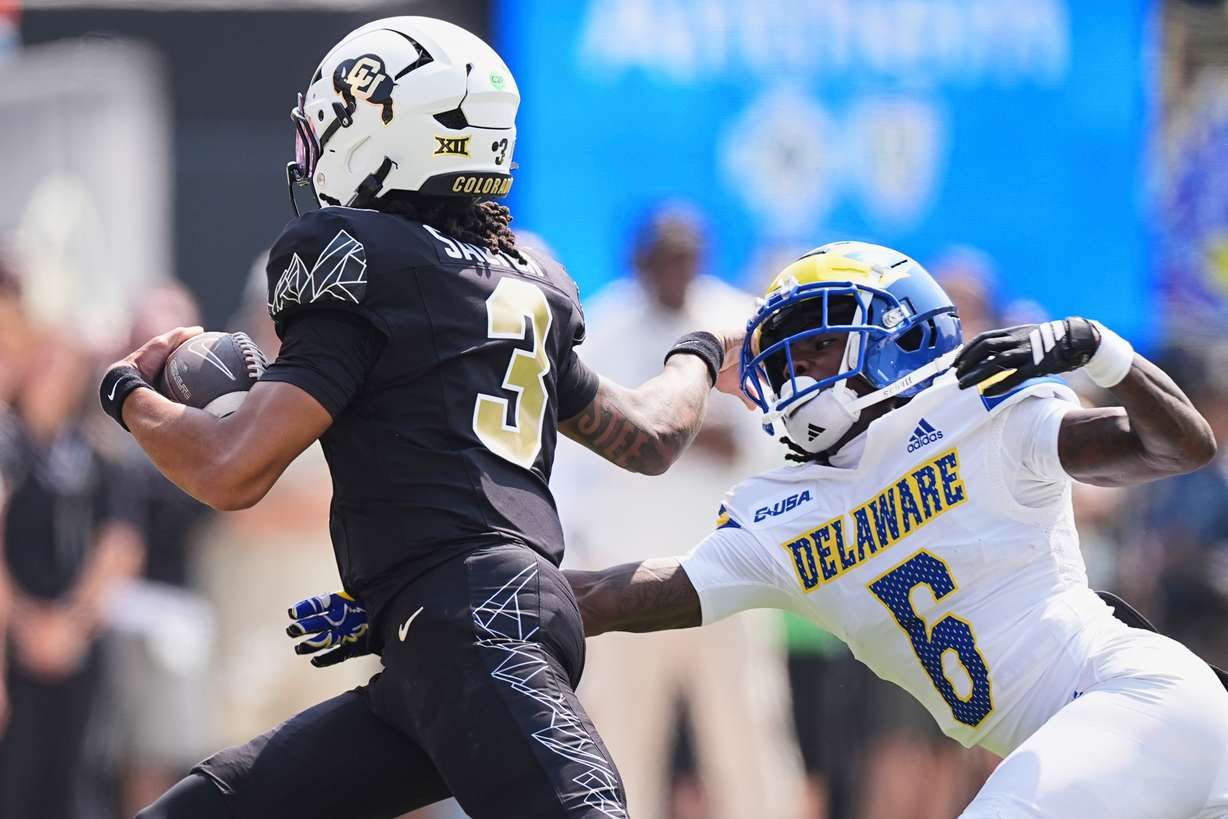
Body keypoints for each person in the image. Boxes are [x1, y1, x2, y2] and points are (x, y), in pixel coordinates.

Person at [99, 16, 740, 819]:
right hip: (446, 636)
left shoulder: (359, 259)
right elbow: (649, 435)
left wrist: (127, 391)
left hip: (470, 634)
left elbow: (231, 466)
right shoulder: (520, 285)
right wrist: (703, 350)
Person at [565, 241, 1228, 818]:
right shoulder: (785, 511)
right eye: (785, 351)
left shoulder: (981, 410)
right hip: (1101, 747)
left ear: (899, 331)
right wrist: (473, 587)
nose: (795, 366)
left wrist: (1098, 348)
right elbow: (610, 596)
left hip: (1138, 694)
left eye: (818, 340)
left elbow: (1181, 447)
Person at [554, 204, 804, 819]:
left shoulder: (739, 322)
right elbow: (568, 462)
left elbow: (784, 441)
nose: (675, 268)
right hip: (621, 572)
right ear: (639, 260)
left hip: (726, 574)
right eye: (663, 256)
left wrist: (711, 437)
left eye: (685, 255)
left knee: (748, 743)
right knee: (619, 747)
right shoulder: (600, 329)